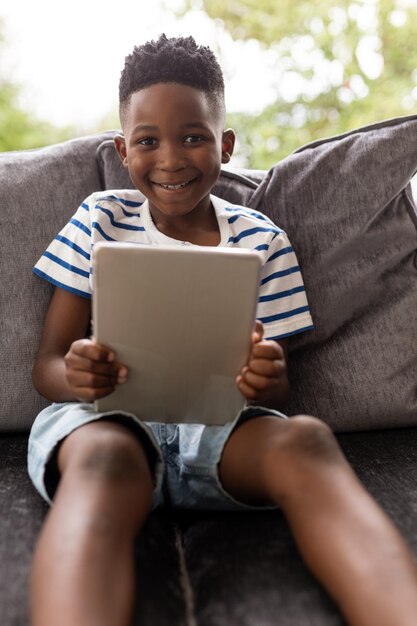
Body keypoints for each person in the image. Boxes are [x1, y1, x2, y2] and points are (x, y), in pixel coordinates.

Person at [28, 34, 417, 626]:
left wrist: (266, 377)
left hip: (221, 432)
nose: (171, 159)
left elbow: (274, 392)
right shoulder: (99, 218)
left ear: (225, 145)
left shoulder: (263, 241)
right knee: (105, 459)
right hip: (106, 420)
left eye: (193, 137)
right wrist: (79, 375)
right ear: (123, 151)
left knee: (306, 438)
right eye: (147, 141)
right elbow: (47, 365)